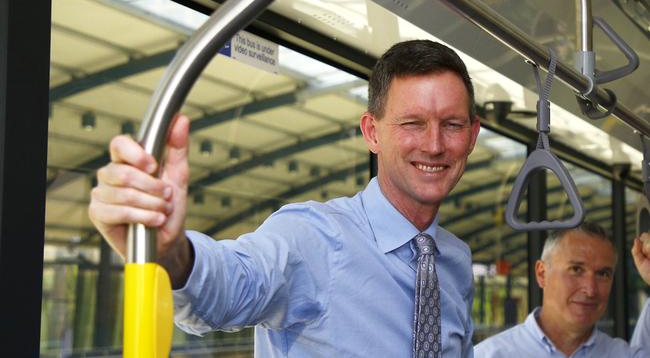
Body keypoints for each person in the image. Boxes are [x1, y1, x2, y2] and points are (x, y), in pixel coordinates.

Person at [88, 40, 481, 357]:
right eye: (412, 124)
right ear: (372, 133)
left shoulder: (456, 260)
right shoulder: (312, 238)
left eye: (452, 125)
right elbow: (231, 285)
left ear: (472, 135)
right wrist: (172, 253)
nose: (434, 145)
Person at [474, 222, 650, 357]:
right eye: (576, 269)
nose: (590, 289)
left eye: (603, 274)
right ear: (542, 274)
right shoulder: (490, 355)